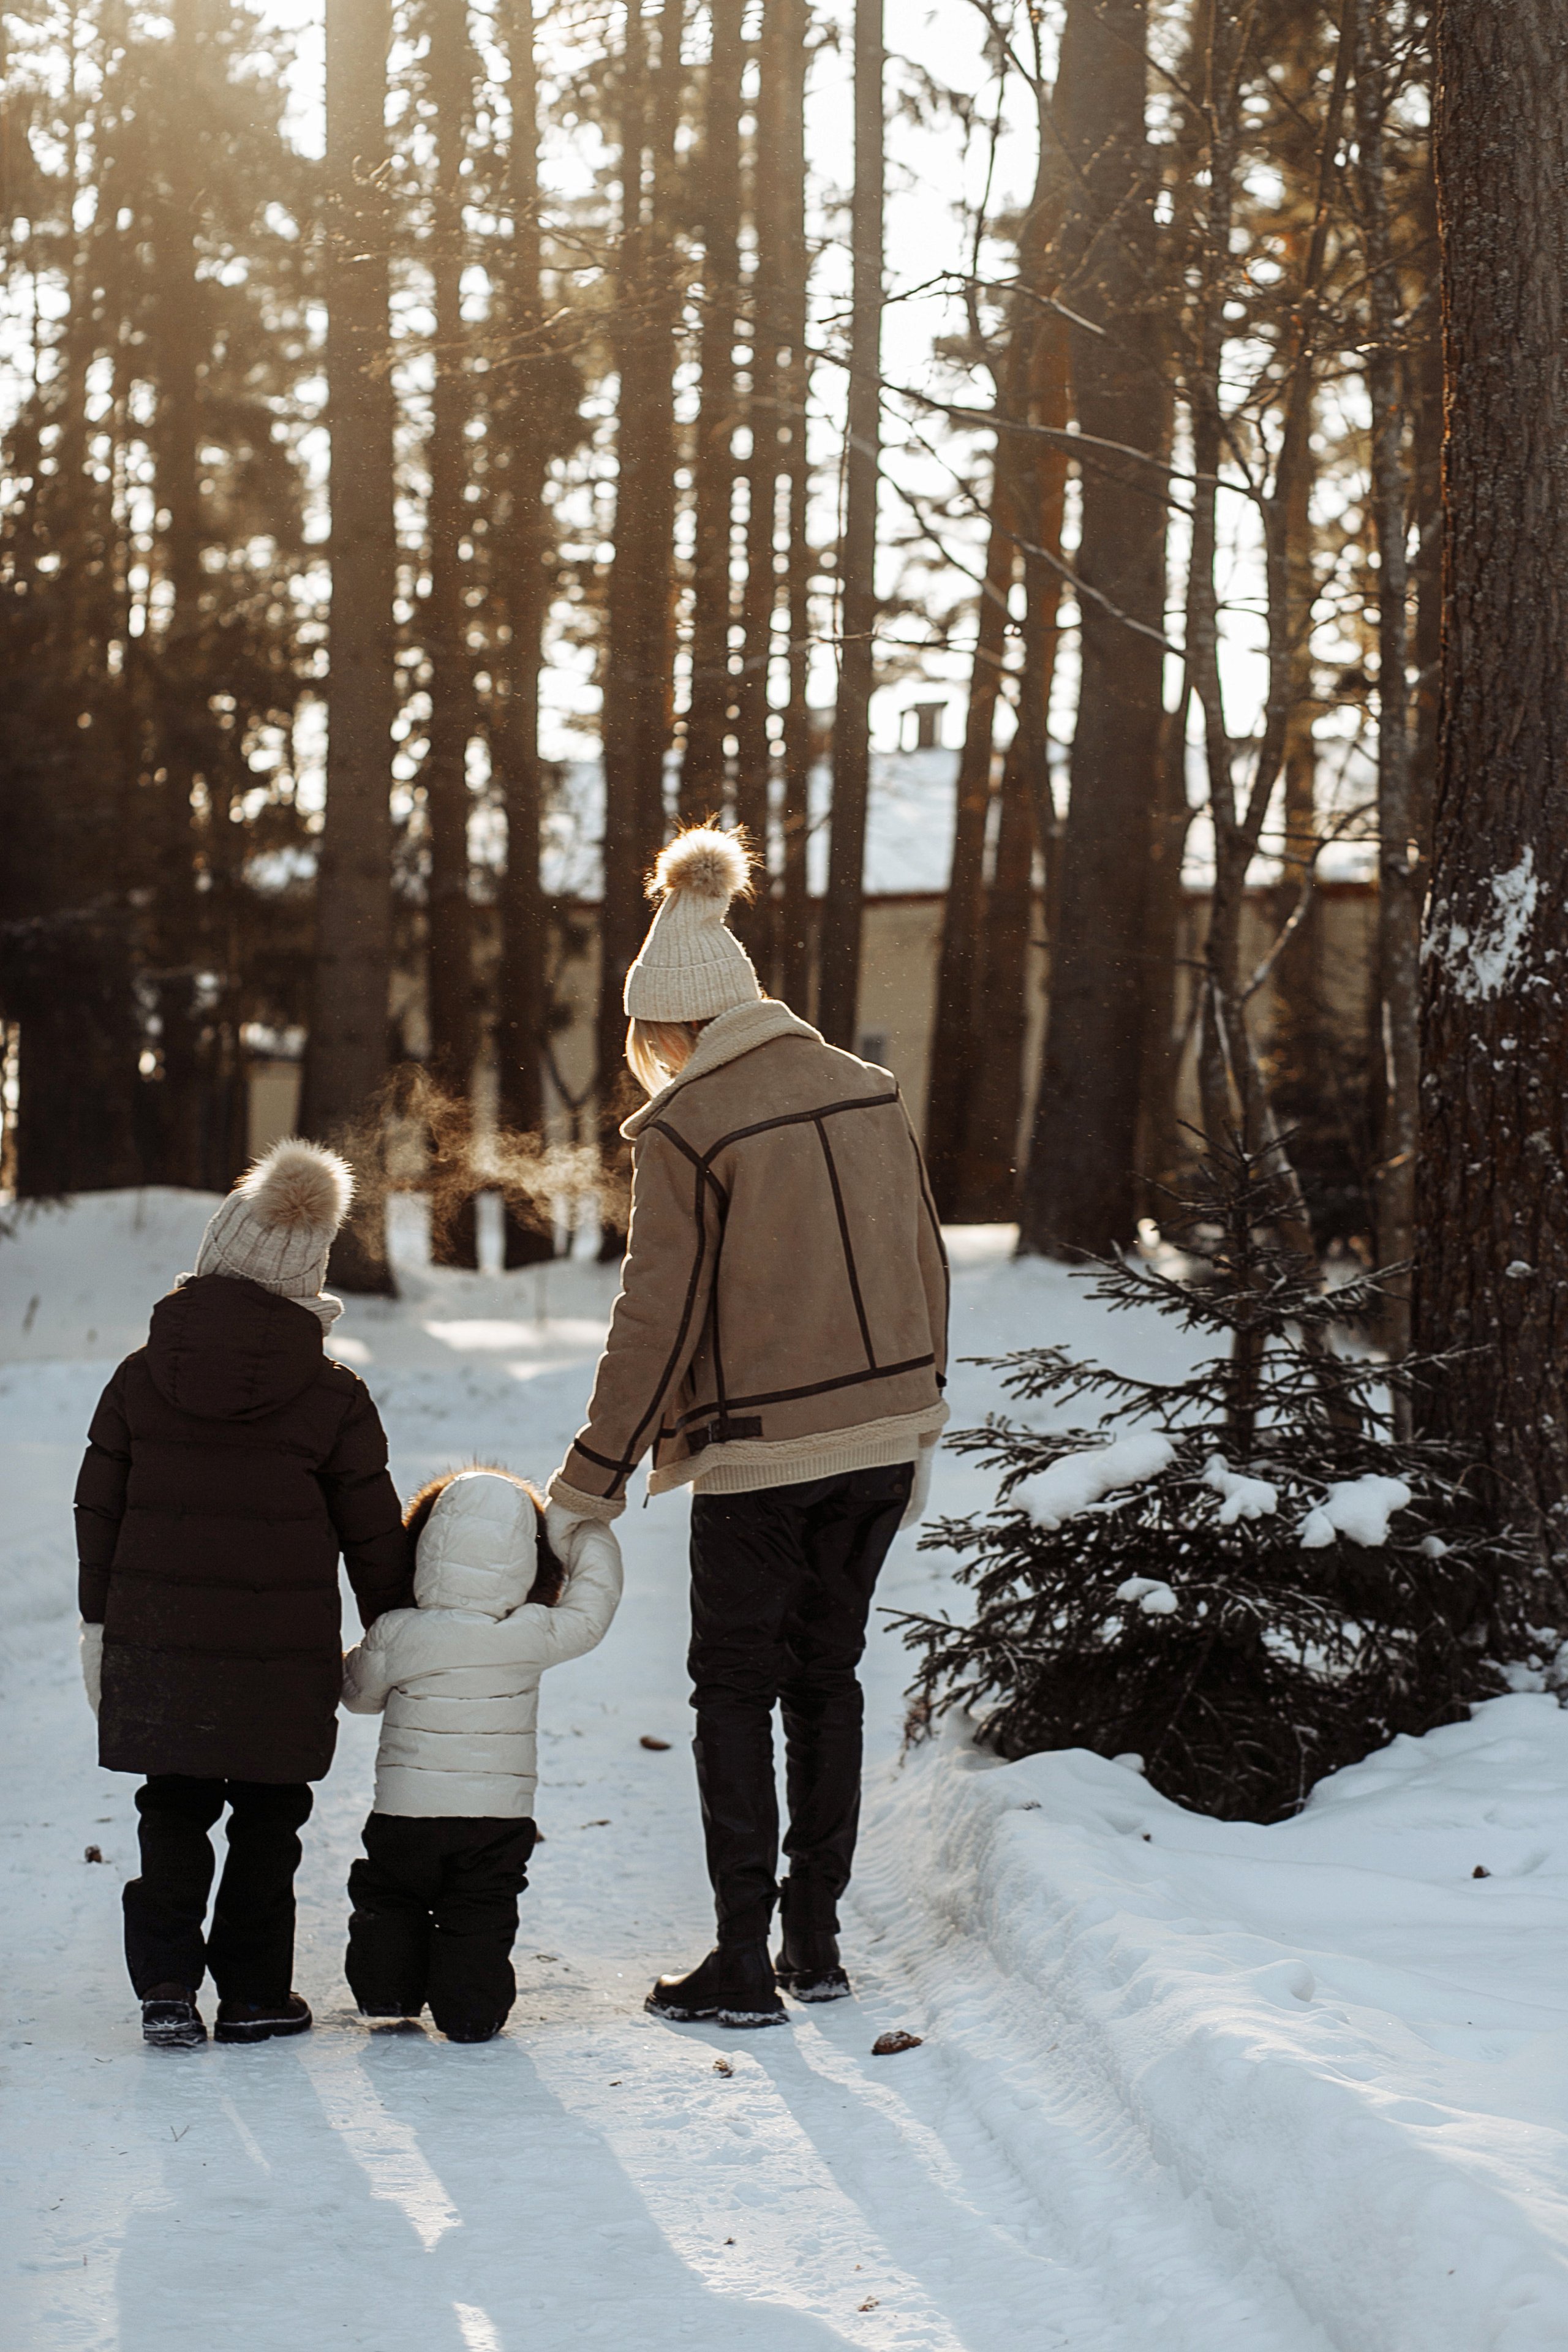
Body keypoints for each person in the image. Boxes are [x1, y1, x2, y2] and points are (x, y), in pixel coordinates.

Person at [545, 827, 949, 2029]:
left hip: (759, 1458)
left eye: (645, 1048)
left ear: (670, 1031)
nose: (647, 1069)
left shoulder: (687, 1127)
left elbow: (652, 1317)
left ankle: (740, 1961)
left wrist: (589, 1481)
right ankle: (813, 1948)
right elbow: (923, 1261)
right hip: (881, 1442)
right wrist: (918, 1419)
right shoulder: (866, 1090)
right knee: (826, 1678)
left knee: (733, 1691)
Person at [74, 1139, 411, 2050]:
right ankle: (259, 1994)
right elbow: (372, 1535)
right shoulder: (335, 1396)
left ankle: (169, 1987)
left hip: (161, 1645)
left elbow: (97, 1508)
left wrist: (99, 1624)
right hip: (281, 1659)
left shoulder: (140, 1378)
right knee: (271, 1819)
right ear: (309, 1277)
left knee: (172, 1807)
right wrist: (398, 1628)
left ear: (216, 1252)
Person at [339, 1467, 622, 2043]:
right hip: (497, 1814)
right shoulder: (530, 1631)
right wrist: (583, 1528)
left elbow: (358, 1698)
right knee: (481, 1908)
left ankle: (385, 1989)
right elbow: (592, 1610)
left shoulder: (399, 1631)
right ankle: (472, 2012)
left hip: (405, 1811)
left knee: (392, 1895)